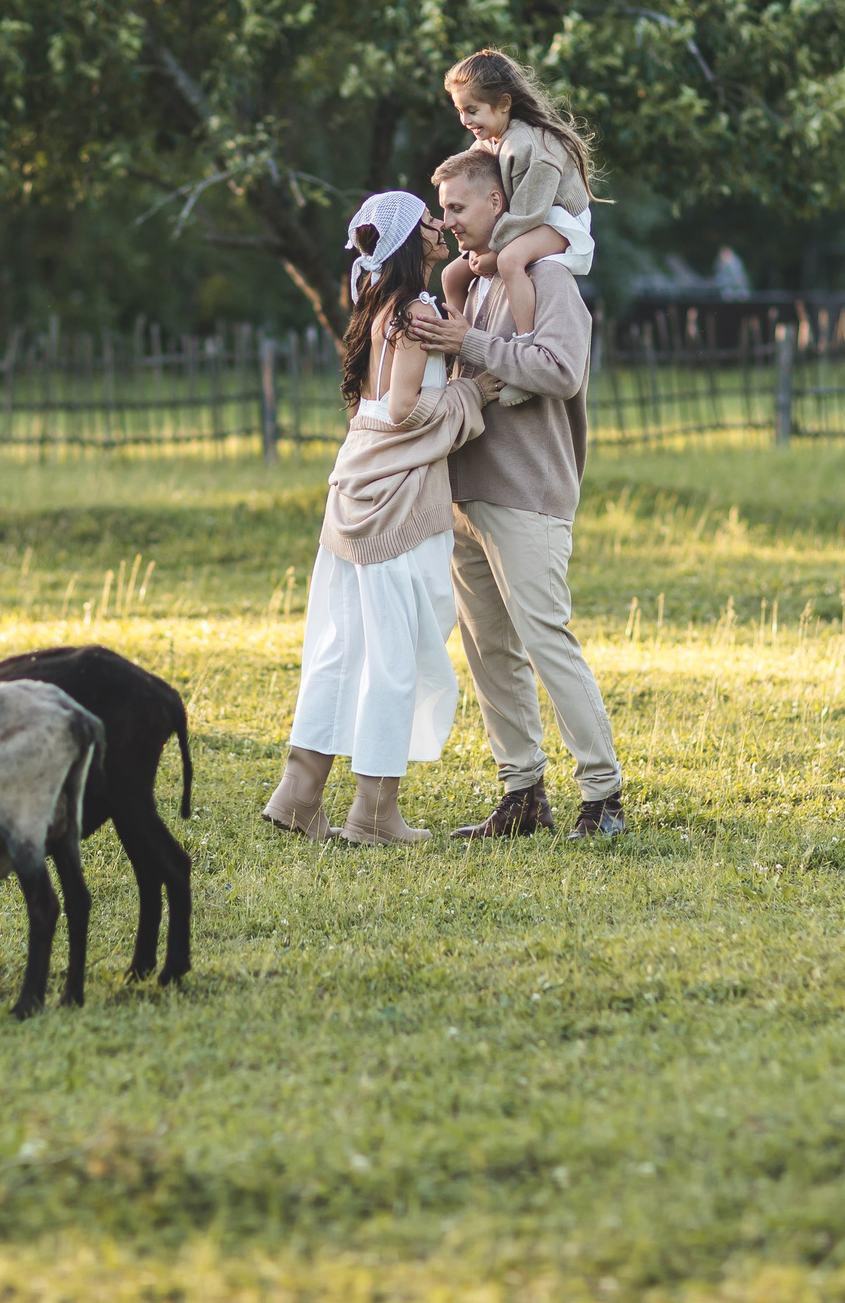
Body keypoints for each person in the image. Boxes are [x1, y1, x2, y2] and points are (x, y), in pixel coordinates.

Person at [262, 190, 494, 846]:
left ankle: (300, 793)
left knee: (340, 645)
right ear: (404, 241)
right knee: (398, 652)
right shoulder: (416, 309)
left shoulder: (376, 306)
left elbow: (373, 411)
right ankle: (372, 814)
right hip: (395, 499)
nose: (441, 228)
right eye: (429, 222)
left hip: (352, 483)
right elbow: (403, 412)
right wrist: (471, 394)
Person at [409, 148, 626, 839]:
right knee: (488, 650)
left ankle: (604, 797)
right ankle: (522, 794)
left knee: (545, 640)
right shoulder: (471, 285)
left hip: (528, 493)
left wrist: (468, 341)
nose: (448, 224)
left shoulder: (548, 276)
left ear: (497, 204)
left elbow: (559, 370)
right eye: (441, 212)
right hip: (465, 493)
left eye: (456, 209)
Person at [441, 49, 596, 404]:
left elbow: (528, 213)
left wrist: (493, 254)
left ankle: (524, 345)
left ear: (504, 103)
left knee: (511, 261)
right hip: (523, 220)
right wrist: (471, 249)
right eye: (460, 111)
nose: (465, 119)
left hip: (557, 218)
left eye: (472, 110)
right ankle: (457, 355)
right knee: (452, 274)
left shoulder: (530, 146)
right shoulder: (487, 140)